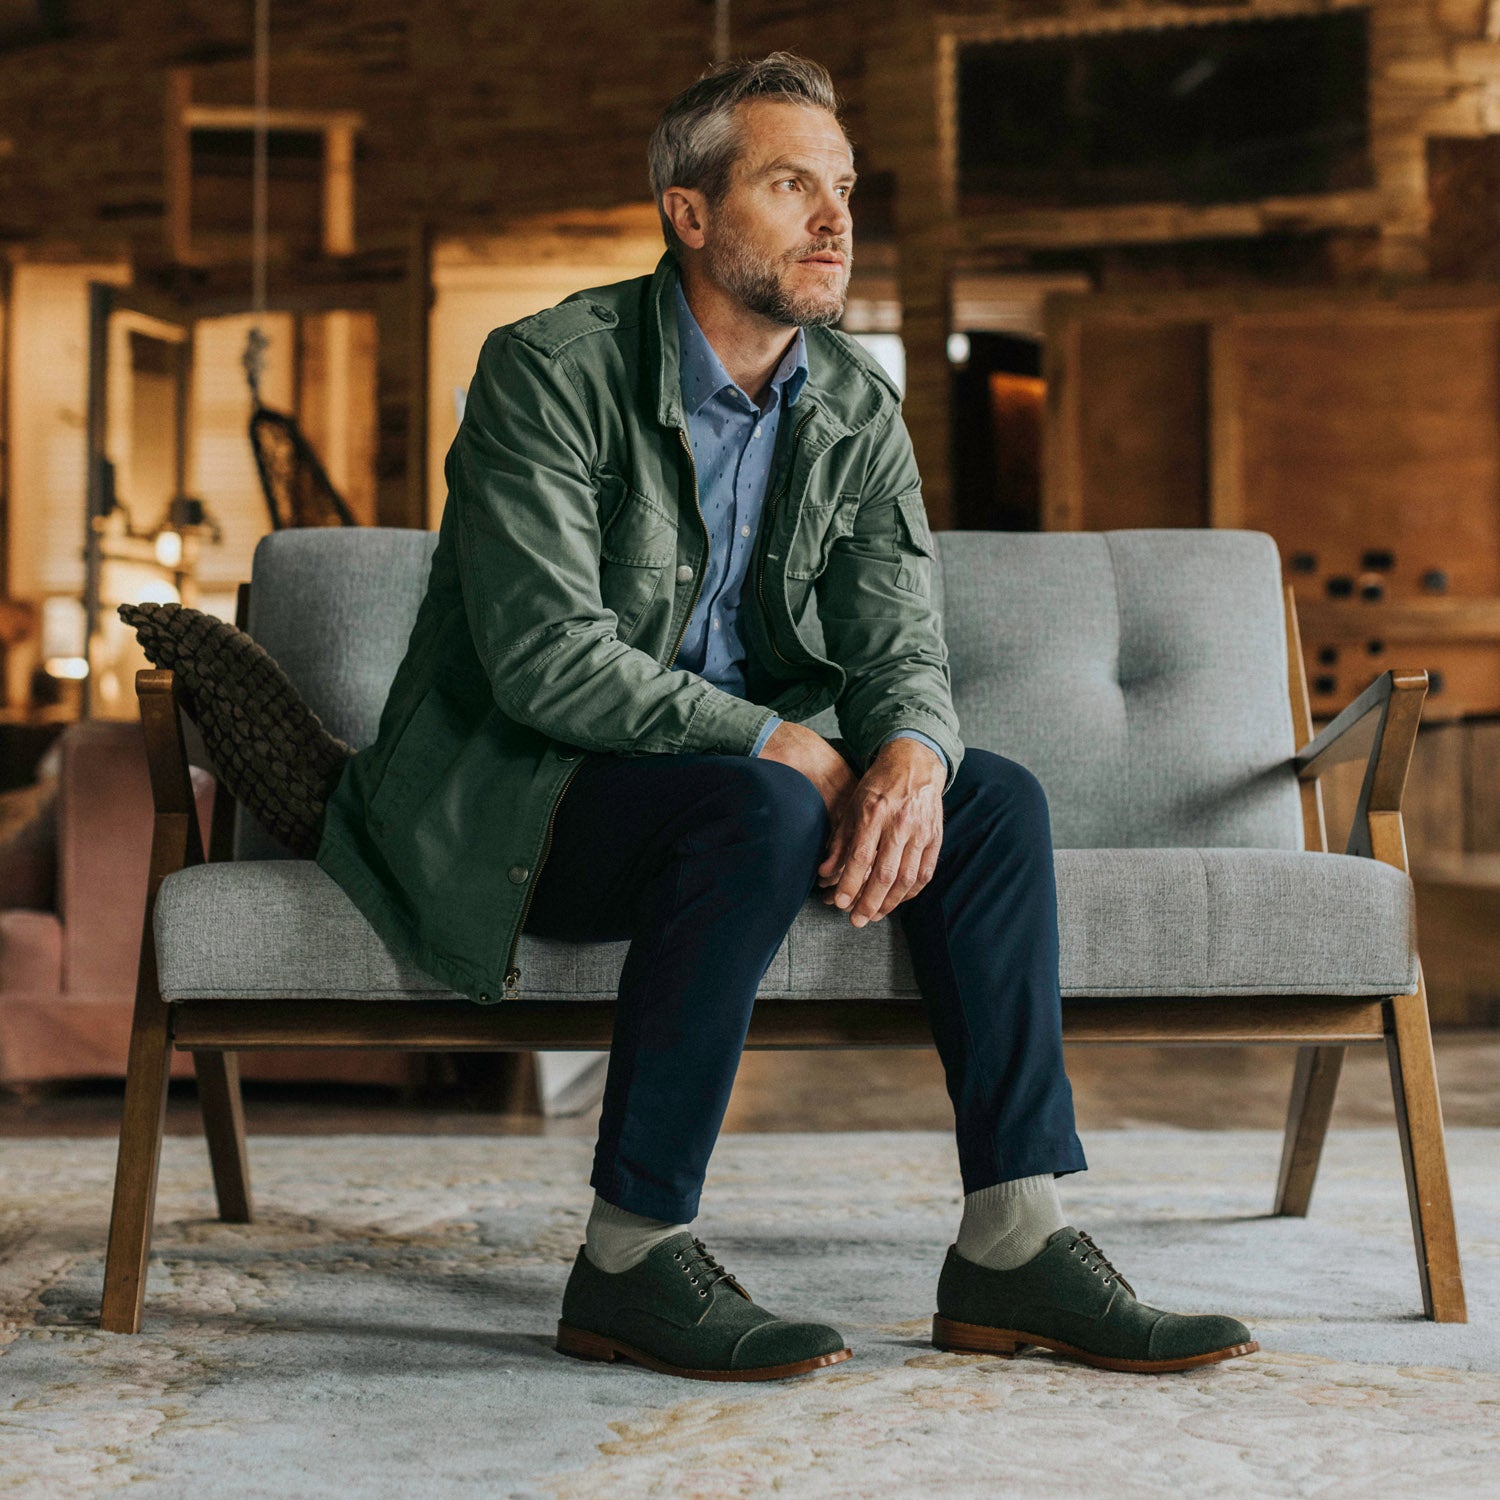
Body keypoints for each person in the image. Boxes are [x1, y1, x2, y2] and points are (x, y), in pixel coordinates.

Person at [316, 51, 1259, 1383]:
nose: (835, 221)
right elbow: (543, 663)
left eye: (846, 189)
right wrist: (781, 742)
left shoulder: (858, 404)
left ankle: (1015, 1238)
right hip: (526, 800)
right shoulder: (546, 371)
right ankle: (632, 1255)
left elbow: (901, 644)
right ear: (688, 214)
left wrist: (914, 762)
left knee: (992, 798)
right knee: (759, 791)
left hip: (729, 808)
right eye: (789, 183)